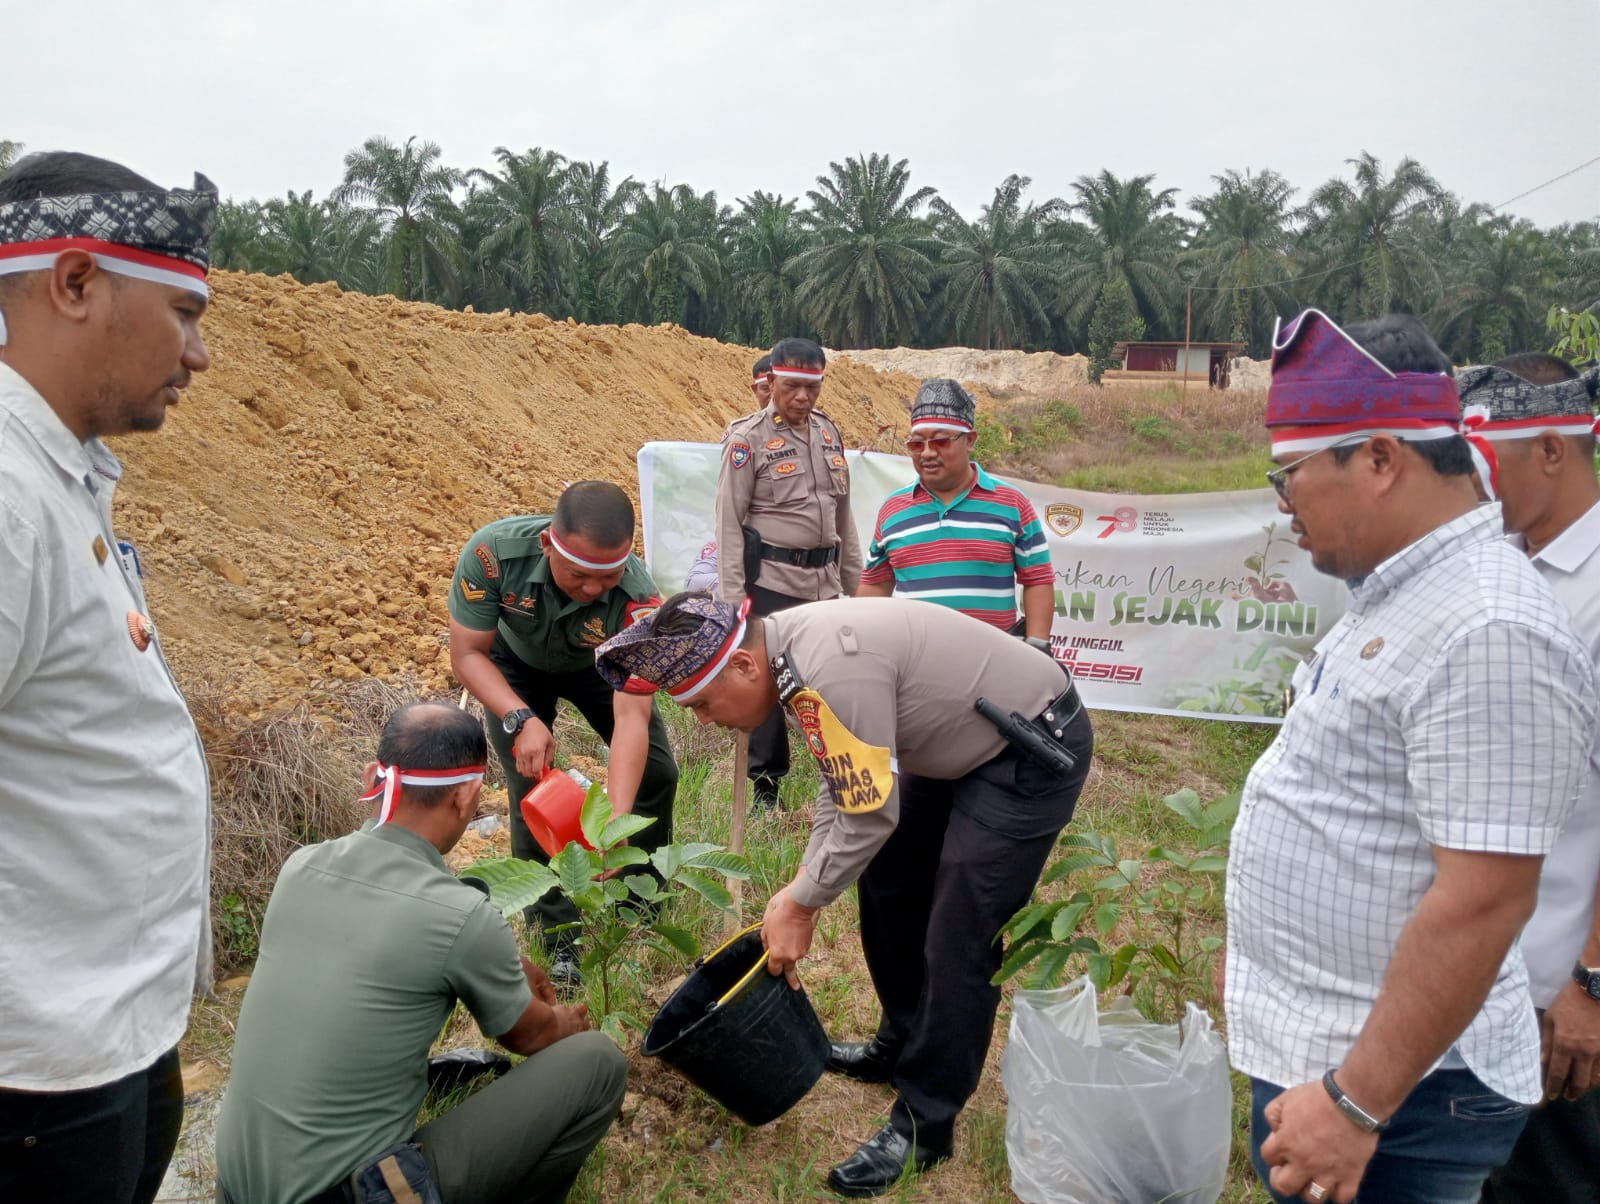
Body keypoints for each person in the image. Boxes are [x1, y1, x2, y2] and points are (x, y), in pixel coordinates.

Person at [1224, 311, 1598, 1204]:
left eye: (1291, 478)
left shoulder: (1488, 628)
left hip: (1398, 1099)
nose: (1286, 506)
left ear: (1381, 459)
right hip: (1338, 1051)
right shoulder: (1406, 588)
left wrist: (1355, 1105)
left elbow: (1484, 898)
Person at [595, 592, 1092, 1196]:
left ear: (744, 667)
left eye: (702, 703)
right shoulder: (787, 661)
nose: (704, 720)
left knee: (959, 933)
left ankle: (925, 1123)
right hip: (957, 746)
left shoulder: (830, 663)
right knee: (885, 880)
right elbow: (845, 784)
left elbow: (868, 814)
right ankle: (901, 1038)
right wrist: (804, 887)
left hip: (1027, 746)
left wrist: (801, 902)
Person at [0, 151, 217, 1204]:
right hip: (31, 1070)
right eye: (182, 312)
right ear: (75, 283)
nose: (201, 353)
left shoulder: (56, 473)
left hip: (99, 1029)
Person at [214, 702, 626, 1204]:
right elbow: (533, 1035)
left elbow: (385, 938)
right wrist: (568, 1021)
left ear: (375, 776)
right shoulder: (461, 915)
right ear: (468, 797)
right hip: (348, 1195)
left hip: (236, 1187)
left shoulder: (301, 866)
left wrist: (505, 963)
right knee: (598, 1062)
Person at [1459, 355, 1600, 1204]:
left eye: (1485, 462)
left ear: (1552, 448)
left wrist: (1592, 981)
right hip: (1481, 979)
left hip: (1563, 983)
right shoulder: (1493, 562)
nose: (1470, 485)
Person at [448, 481, 678, 984]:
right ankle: (558, 940)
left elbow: (632, 718)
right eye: (579, 574)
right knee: (532, 787)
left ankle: (639, 905)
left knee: (657, 773)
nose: (594, 589)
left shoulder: (639, 599)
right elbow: (468, 653)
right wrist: (519, 717)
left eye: (608, 575)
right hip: (514, 666)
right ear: (549, 544)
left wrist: (614, 825)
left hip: (599, 666)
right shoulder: (492, 556)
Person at [715, 337, 863, 811]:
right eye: (793, 386)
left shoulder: (828, 433)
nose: (803, 397)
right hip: (771, 586)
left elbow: (845, 519)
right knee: (766, 688)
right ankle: (765, 789)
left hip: (822, 585)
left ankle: (838, 781)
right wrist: (733, 598)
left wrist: (857, 587)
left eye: (812, 388)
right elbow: (729, 523)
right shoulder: (747, 440)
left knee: (832, 682)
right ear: (773, 381)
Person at [857, 378, 1055, 636]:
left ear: (970, 440)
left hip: (993, 664)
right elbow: (876, 585)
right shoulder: (893, 510)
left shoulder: (1012, 504)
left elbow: (1037, 579)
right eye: (917, 444)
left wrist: (1038, 645)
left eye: (940, 441)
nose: (927, 453)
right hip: (915, 665)